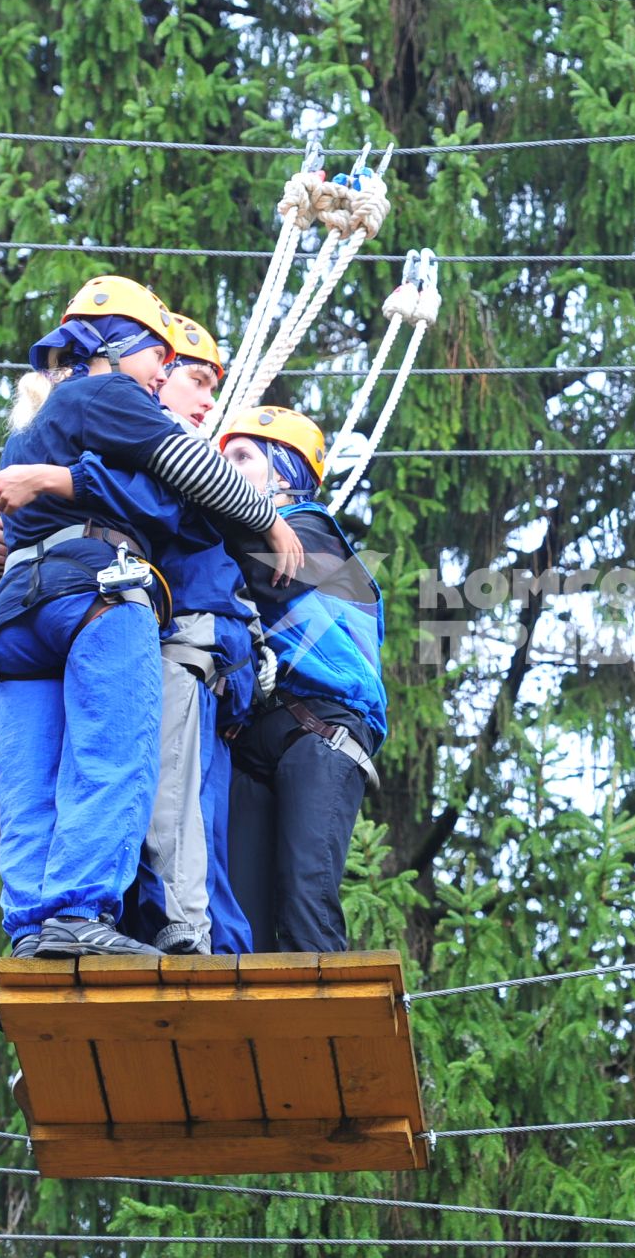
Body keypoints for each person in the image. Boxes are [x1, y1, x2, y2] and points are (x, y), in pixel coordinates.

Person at [0, 275, 301, 960]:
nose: (162, 372)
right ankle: (77, 914)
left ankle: (34, 937)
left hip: (14, 618)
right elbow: (189, 470)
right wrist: (267, 518)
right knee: (109, 755)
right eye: (158, 353)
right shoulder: (111, 392)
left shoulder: (27, 434)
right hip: (96, 590)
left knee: (34, 786)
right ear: (118, 346)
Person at [215, 406, 387, 954]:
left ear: (284, 472)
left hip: (324, 729)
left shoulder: (313, 534)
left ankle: (329, 1028)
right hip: (256, 738)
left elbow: (254, 570)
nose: (226, 469)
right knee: (242, 917)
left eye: (242, 457)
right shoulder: (241, 536)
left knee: (304, 900)